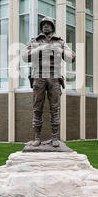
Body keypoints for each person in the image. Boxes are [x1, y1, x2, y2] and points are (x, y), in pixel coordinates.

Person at [22, 17, 76, 147]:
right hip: (38, 77)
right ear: (41, 27)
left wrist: (60, 51)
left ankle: (55, 138)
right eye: (44, 24)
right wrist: (39, 50)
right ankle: (37, 138)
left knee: (54, 109)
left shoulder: (60, 42)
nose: (46, 26)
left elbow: (71, 58)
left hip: (54, 77)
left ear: (52, 27)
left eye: (48, 24)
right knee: (37, 108)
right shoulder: (34, 41)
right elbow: (24, 57)